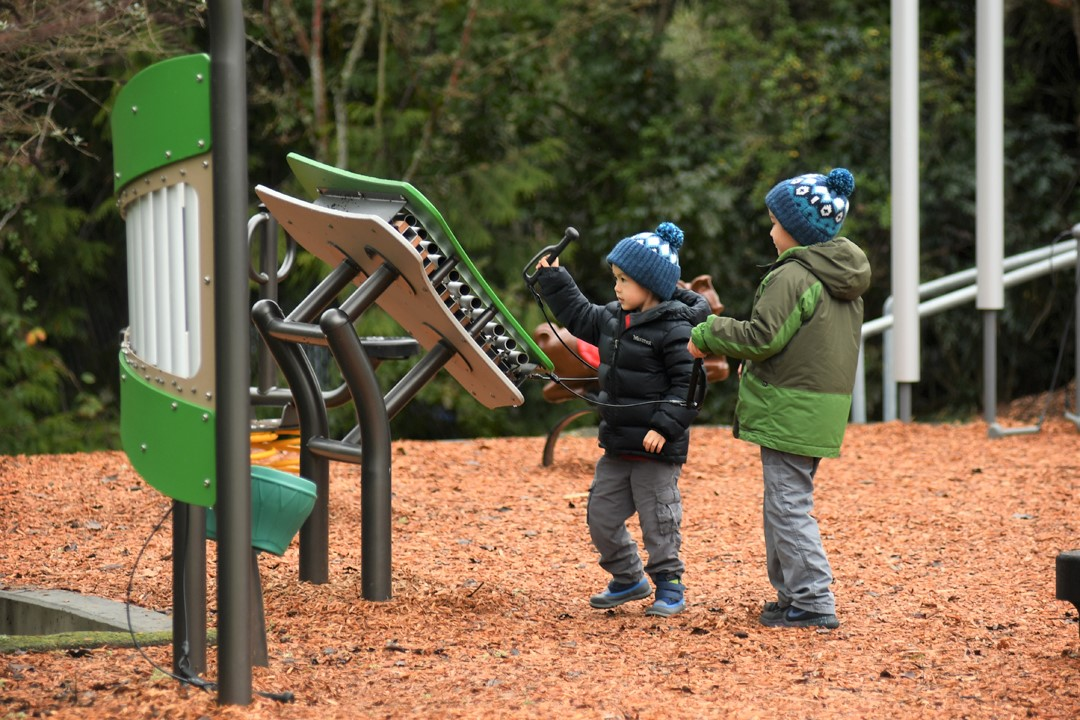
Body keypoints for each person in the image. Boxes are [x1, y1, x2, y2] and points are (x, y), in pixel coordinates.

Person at [687, 168, 871, 629]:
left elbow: (762, 336)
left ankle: (812, 601)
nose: (770, 231)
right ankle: (792, 595)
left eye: (775, 222)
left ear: (798, 229)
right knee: (783, 502)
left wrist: (707, 332)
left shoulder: (794, 275)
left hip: (792, 405)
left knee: (788, 505)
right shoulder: (839, 276)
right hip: (818, 407)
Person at [533, 222, 710, 617]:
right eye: (615, 278)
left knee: (659, 521)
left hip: (655, 448)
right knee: (600, 516)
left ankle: (670, 585)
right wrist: (554, 277)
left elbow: (690, 385)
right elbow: (579, 315)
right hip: (617, 445)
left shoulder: (676, 329)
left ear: (650, 285)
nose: (616, 287)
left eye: (624, 279)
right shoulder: (614, 318)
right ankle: (629, 577)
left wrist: (664, 427)